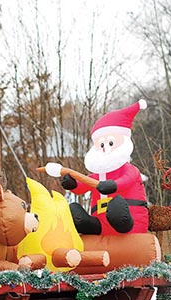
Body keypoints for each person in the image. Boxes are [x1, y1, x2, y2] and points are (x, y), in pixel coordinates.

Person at [60, 99, 149, 235]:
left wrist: (113, 185)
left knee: (117, 208)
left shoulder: (129, 169)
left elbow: (126, 180)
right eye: (101, 145)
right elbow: (84, 183)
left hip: (130, 223)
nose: (105, 148)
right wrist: (72, 184)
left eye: (111, 143)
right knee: (76, 211)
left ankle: (122, 221)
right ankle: (88, 224)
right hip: (101, 224)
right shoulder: (98, 174)